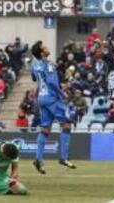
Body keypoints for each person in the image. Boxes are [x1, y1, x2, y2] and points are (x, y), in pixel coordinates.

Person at [31, 41, 76, 175]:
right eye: (44, 46)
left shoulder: (34, 65)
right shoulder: (49, 64)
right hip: (52, 98)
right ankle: (64, 157)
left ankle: (38, 159)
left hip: (41, 99)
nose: (47, 47)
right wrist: (62, 93)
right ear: (41, 52)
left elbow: (34, 78)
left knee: (45, 129)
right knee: (66, 124)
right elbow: (51, 82)